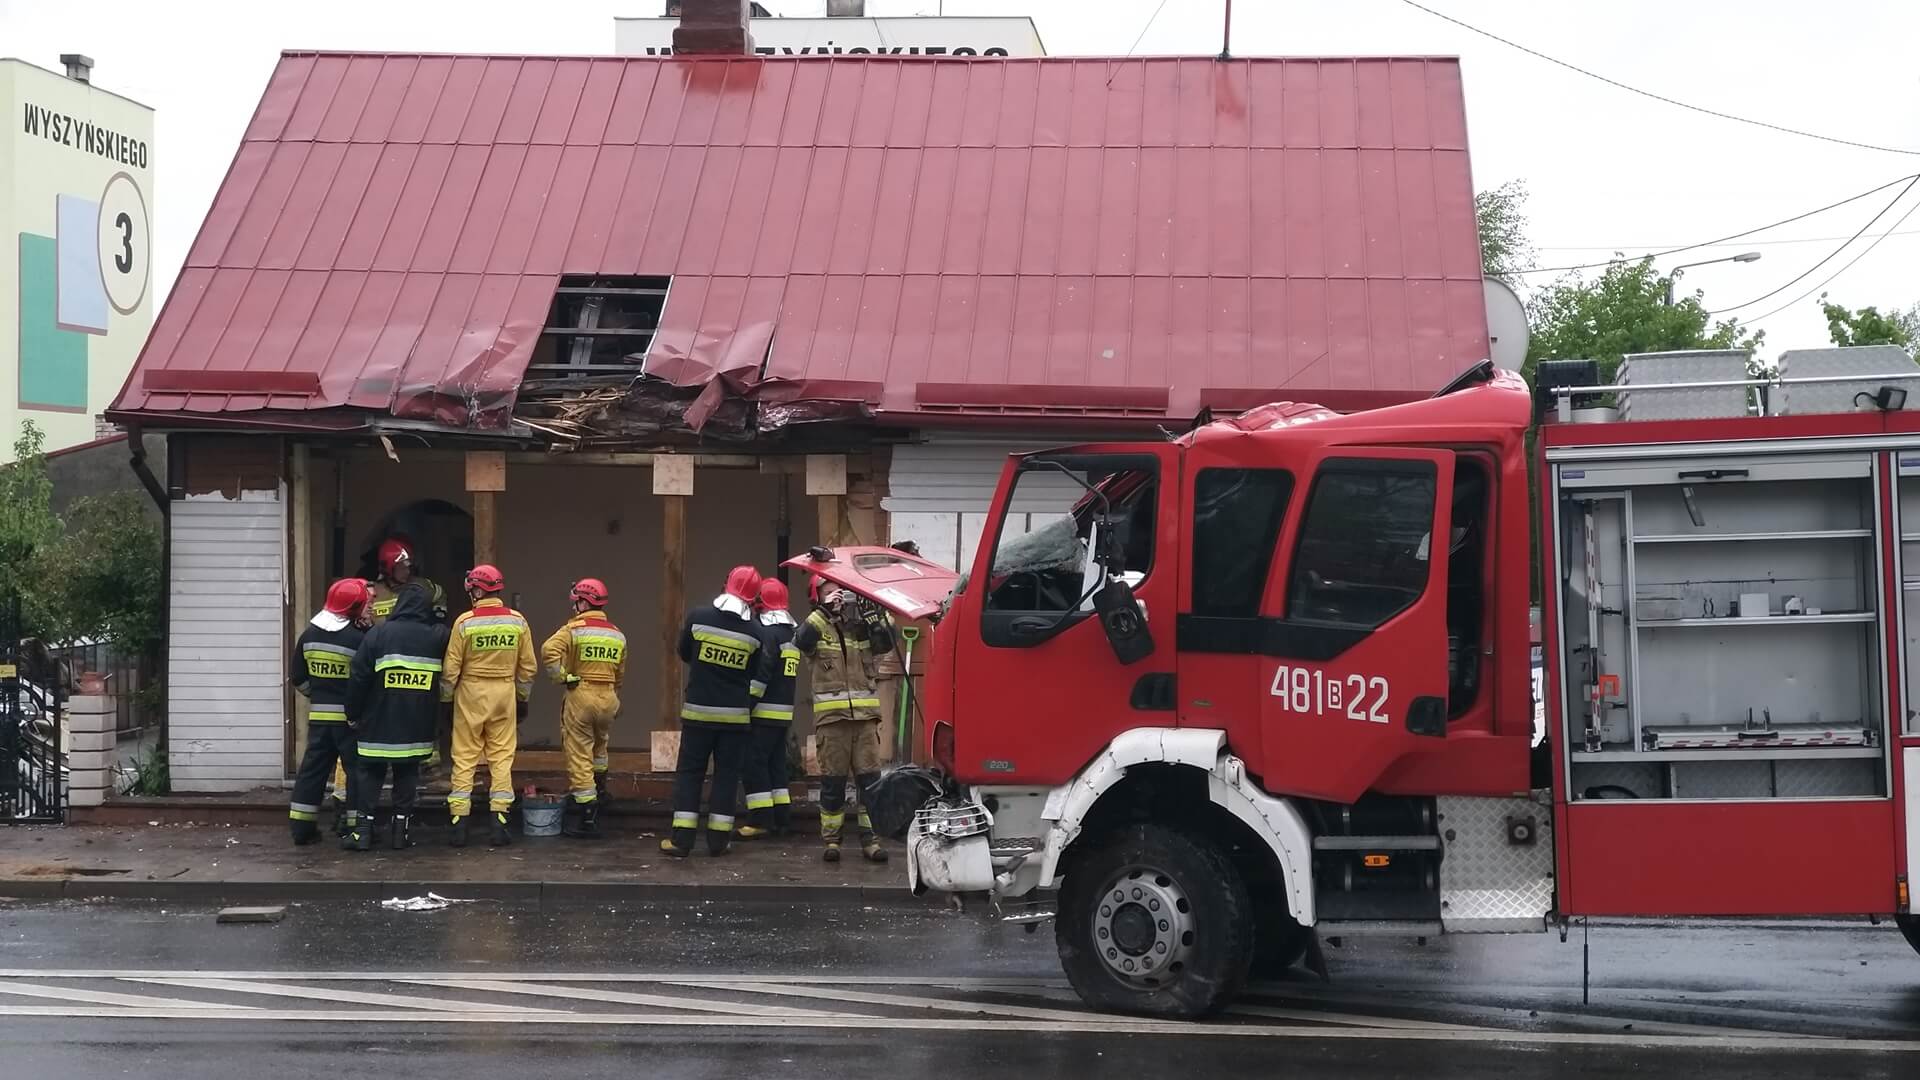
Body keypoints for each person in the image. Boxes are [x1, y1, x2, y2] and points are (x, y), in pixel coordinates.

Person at [664, 566, 769, 858]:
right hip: (734, 720)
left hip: (698, 715)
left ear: (727, 586)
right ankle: (718, 842)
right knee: (726, 777)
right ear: (753, 597)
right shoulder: (756, 633)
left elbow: (685, 652)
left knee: (690, 775)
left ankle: (681, 841)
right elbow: (753, 671)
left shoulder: (698, 617)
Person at [343, 583, 447, 851]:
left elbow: (359, 676)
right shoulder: (436, 637)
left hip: (378, 722)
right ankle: (400, 834)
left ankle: (362, 835)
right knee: (407, 774)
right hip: (416, 726)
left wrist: (353, 713)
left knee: (370, 774)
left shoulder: (379, 634)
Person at [798, 578, 895, 863]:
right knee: (833, 785)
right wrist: (824, 611)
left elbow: (887, 642)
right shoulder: (816, 628)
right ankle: (832, 841)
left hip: (865, 722)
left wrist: (875, 613)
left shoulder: (860, 629)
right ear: (817, 598)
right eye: (829, 592)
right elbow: (801, 640)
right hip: (833, 722)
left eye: (840, 592)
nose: (837, 596)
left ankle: (871, 840)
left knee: (871, 784)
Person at [442, 564, 536, 848]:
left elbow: (450, 671)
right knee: (501, 758)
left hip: (470, 693)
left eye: (472, 589)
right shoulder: (517, 621)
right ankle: (500, 823)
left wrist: (446, 703)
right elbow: (528, 667)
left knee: (465, 757)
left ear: (479, 590)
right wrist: (522, 699)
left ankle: (459, 825)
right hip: (504, 693)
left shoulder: (464, 623)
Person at [541, 578, 627, 840]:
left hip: (582, 694)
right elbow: (620, 673)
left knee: (579, 753)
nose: (574, 605)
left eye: (576, 600)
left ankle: (587, 816)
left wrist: (562, 677)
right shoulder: (616, 633)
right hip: (608, 695)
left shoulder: (574, 629)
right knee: (600, 747)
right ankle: (601, 791)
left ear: (584, 602)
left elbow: (548, 650)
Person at [288, 579, 372, 844]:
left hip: (319, 719)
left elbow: (298, 678)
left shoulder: (308, 635)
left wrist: (318, 696)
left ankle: (301, 829)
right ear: (354, 606)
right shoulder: (358, 639)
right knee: (356, 772)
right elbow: (364, 681)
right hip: (350, 722)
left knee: (311, 773)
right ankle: (352, 828)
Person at [738, 578, 800, 840]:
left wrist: (746, 706)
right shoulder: (790, 633)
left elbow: (762, 674)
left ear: (761, 603)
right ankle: (781, 819)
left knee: (753, 763)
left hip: (763, 711)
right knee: (776, 765)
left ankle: (760, 820)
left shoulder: (767, 634)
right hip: (783, 712)